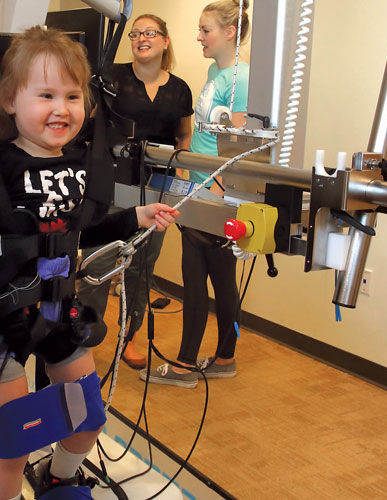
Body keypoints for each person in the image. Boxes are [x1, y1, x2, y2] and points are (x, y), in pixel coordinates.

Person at [0, 27, 179, 500]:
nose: (61, 109)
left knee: (87, 421)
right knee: (16, 440)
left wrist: (135, 217)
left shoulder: (78, 168)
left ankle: (60, 478)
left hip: (58, 313)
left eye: (72, 96)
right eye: (45, 94)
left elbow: (80, 230)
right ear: (8, 100)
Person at [76, 13, 194, 370]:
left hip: (156, 187)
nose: (142, 39)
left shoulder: (179, 88)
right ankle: (83, 334)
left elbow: (183, 136)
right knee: (98, 261)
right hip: (111, 186)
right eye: (136, 34)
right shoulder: (112, 78)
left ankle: (129, 339)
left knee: (141, 268)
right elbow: (89, 122)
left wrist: (180, 181)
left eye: (150, 33)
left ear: (165, 41)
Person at [144, 0, 250, 389]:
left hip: (215, 197)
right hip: (200, 190)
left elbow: (239, 151)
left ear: (230, 33)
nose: (200, 37)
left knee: (199, 277)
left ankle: (187, 364)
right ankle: (224, 357)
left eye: (206, 30)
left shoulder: (242, 79)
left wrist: (215, 196)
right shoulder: (215, 72)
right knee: (217, 279)